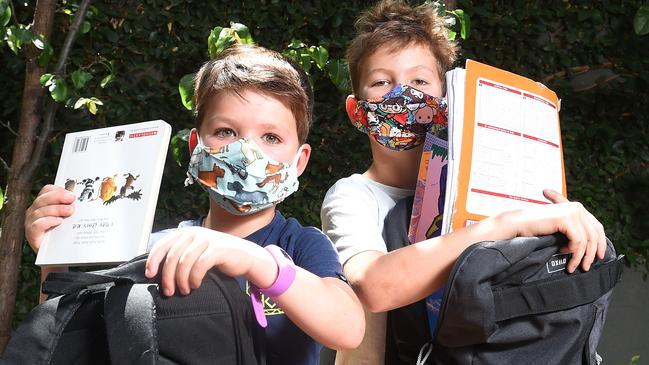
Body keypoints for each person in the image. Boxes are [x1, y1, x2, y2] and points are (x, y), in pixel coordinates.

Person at [24, 44, 364, 365]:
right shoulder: (154, 248)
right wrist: (56, 260)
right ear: (195, 146)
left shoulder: (301, 244)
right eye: (226, 132)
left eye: (271, 137)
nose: (246, 151)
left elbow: (348, 329)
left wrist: (255, 261)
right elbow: (69, 343)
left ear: (299, 160)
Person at [320, 1, 607, 364]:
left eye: (420, 81)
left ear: (448, 99)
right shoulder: (353, 197)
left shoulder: (496, 177)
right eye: (381, 82)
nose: (402, 95)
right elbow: (373, 285)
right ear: (356, 110)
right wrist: (504, 226)